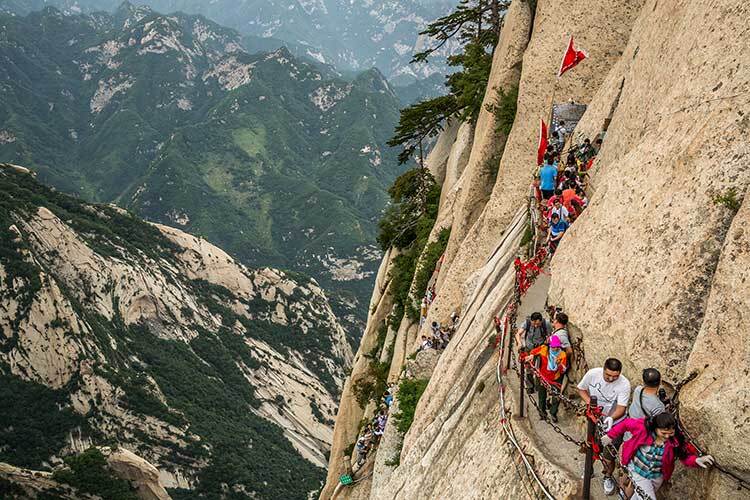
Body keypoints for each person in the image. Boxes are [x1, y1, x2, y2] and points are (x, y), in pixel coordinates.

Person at [602, 412, 714, 500]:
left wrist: (696, 460)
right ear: (656, 428)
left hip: (656, 477)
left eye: (670, 433)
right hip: (638, 471)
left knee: (639, 496)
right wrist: (610, 435)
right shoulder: (642, 428)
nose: (667, 436)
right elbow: (626, 424)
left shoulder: (674, 442)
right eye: (663, 433)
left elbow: (684, 457)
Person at [577, 358, 632, 495]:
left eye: (615, 376)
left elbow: (621, 408)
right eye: (608, 375)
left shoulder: (624, 384)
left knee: (608, 455)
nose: (612, 379)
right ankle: (589, 470)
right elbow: (581, 389)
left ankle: (607, 476)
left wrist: (611, 418)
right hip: (595, 419)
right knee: (591, 446)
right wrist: (591, 403)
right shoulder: (593, 374)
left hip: (614, 424)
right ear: (603, 369)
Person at [524, 335, 568, 422]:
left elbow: (563, 370)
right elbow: (534, 351)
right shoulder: (544, 349)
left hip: (556, 378)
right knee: (542, 395)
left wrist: (559, 365)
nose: (555, 349)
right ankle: (542, 413)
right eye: (553, 347)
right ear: (550, 345)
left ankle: (553, 413)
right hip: (543, 376)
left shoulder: (562, 355)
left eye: (556, 347)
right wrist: (532, 355)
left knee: (556, 397)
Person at [516, 311, 553, 392]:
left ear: (541, 320)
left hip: (540, 349)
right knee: (528, 367)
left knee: (539, 368)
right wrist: (519, 343)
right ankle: (530, 386)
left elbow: (550, 335)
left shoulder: (546, 324)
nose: (536, 326)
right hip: (529, 347)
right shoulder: (527, 323)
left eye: (538, 324)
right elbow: (518, 334)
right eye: (534, 324)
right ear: (531, 321)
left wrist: (548, 342)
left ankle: (539, 386)